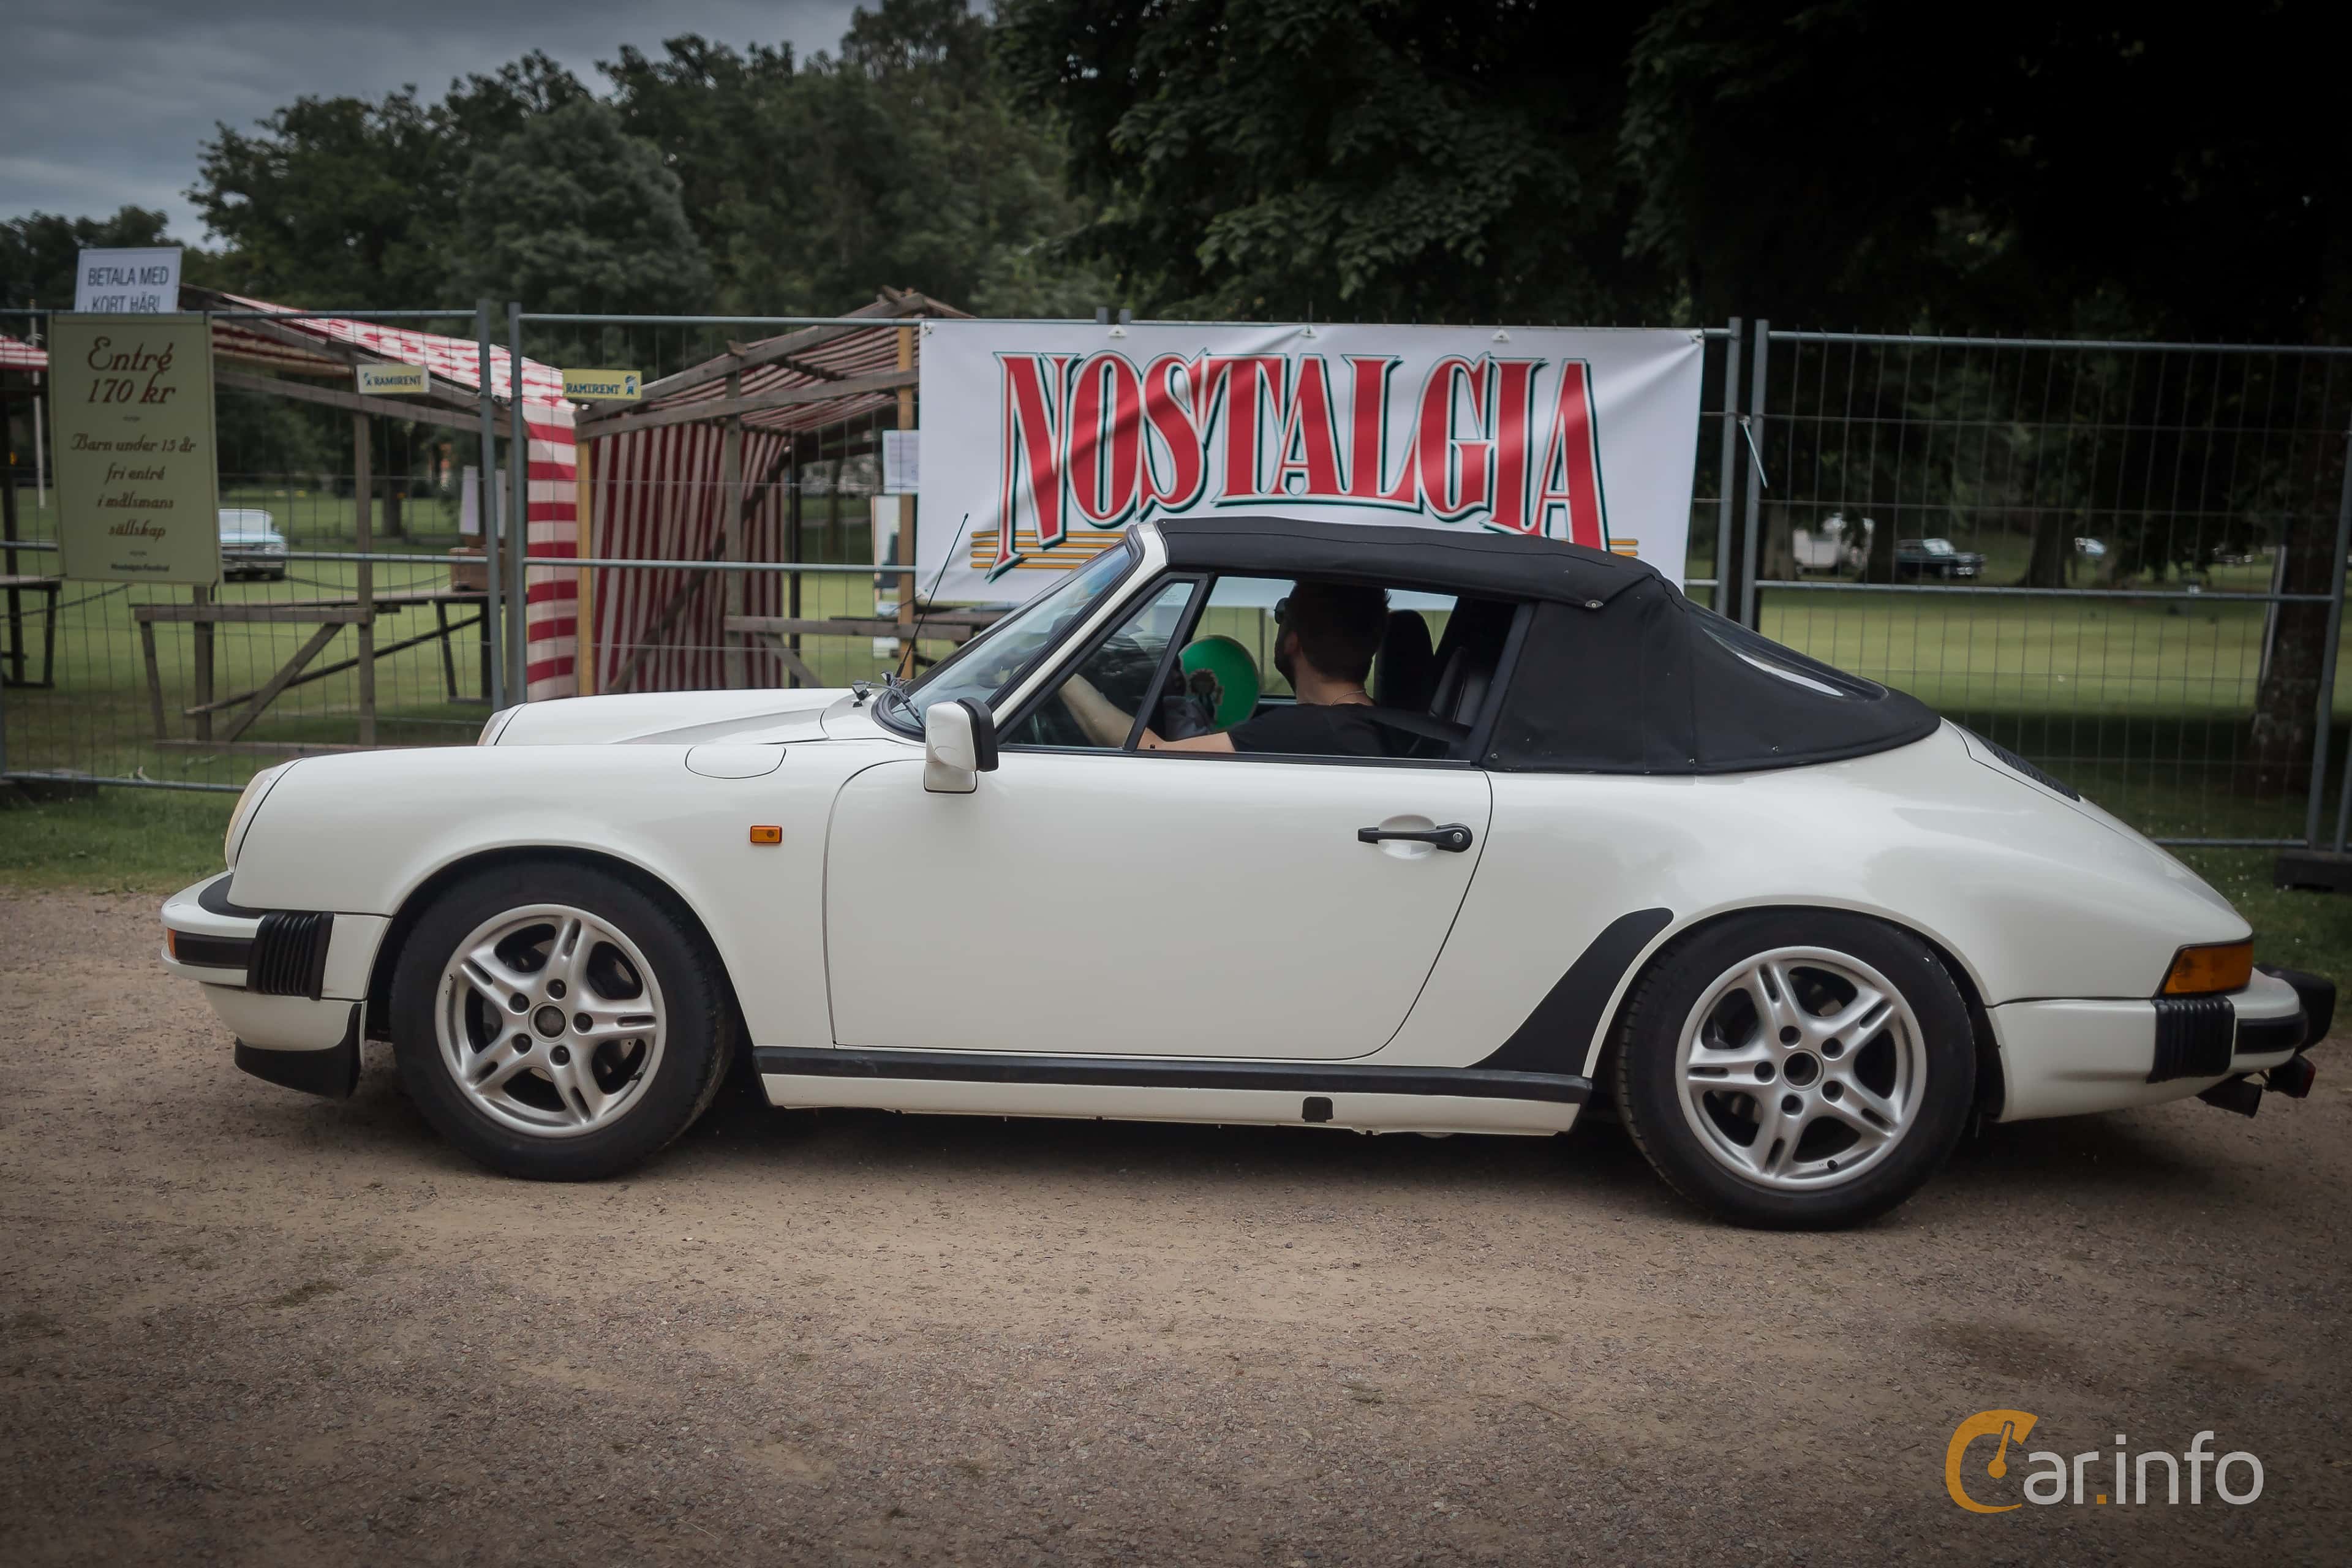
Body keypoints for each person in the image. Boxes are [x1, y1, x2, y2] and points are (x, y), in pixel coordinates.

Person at [1058, 581, 1396, 757]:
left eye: (1282, 615)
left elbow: (1153, 753)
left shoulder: (1301, 730)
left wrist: (1061, 674)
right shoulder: (1388, 727)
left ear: (1293, 641)